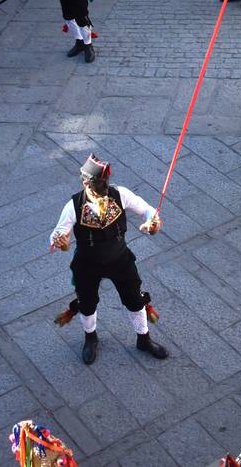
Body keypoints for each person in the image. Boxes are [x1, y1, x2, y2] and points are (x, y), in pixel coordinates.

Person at [48, 154, 168, 366]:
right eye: (98, 182)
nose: (104, 185)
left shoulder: (120, 194)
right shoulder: (74, 205)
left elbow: (148, 210)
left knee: (134, 299)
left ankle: (143, 338)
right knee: (86, 303)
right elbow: (58, 234)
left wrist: (152, 222)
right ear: (86, 181)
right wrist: (60, 240)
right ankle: (90, 337)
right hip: (88, 263)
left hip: (120, 259)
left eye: (105, 181)